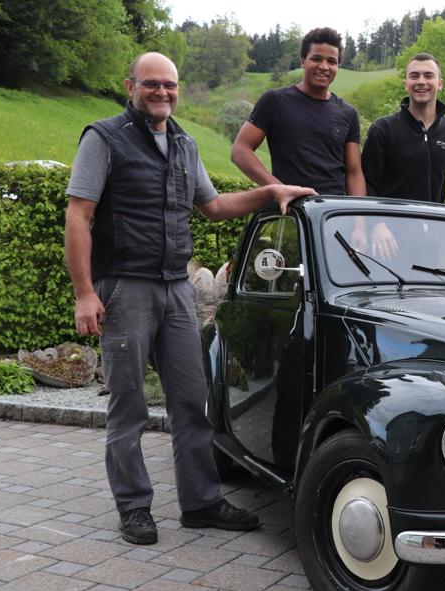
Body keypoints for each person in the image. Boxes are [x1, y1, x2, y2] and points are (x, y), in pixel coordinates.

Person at [64, 52, 315, 546]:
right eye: (152, 84)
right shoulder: (103, 138)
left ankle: (200, 502)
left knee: (193, 401)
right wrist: (85, 293)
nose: (162, 93)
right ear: (130, 85)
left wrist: (270, 192)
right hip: (125, 285)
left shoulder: (184, 143)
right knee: (129, 404)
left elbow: (215, 206)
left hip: (176, 287)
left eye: (170, 85)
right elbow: (78, 215)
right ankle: (134, 506)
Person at [231, 27, 364, 197]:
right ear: (303, 61)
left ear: (338, 65)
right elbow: (240, 150)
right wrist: (280, 189)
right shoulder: (274, 101)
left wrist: (360, 221)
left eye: (331, 61)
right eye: (316, 58)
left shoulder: (348, 113)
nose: (324, 66)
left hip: (333, 213)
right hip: (290, 213)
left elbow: (354, 173)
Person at [361, 53, 445, 203]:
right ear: (405, 84)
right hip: (389, 224)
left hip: (435, 225)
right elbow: (367, 183)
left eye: (428, 76)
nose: (421, 81)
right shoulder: (383, 129)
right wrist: (377, 223)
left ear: (440, 83)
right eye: (414, 76)